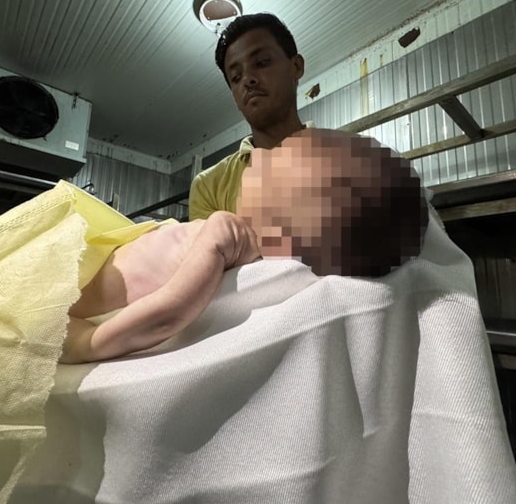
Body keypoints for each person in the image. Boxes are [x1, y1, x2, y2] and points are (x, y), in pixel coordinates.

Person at [62, 130, 427, 364]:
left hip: (74, 299)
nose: (263, 160)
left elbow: (169, 314)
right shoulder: (233, 236)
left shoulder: (227, 234)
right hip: (82, 275)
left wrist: (90, 343)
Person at [188, 13, 308, 221]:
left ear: (296, 66)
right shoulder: (209, 186)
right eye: (236, 77)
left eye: (261, 63)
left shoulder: (353, 161)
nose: (247, 80)